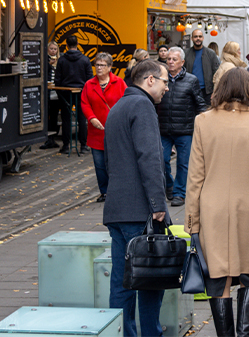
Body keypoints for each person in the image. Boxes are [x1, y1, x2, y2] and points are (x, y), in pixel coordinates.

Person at [185, 68, 249, 337]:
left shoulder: (203, 121)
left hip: (212, 209)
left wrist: (192, 222)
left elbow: (195, 177)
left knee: (219, 276)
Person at [102, 59, 170, 337]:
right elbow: (150, 158)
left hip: (117, 208)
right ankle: (151, 333)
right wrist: (158, 204)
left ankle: (122, 333)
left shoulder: (118, 106)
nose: (167, 87)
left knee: (121, 282)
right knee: (150, 280)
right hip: (138, 210)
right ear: (150, 80)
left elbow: (109, 161)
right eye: (166, 81)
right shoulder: (143, 106)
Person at [158, 46, 207, 207]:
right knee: (162, 160)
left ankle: (180, 193)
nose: (170, 62)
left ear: (182, 62)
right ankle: (169, 186)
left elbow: (199, 103)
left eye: (174, 59)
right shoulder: (160, 78)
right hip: (163, 128)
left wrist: (204, 121)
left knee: (183, 163)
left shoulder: (191, 80)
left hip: (184, 129)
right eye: (169, 59)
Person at [81, 53, 126, 203]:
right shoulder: (89, 84)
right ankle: (105, 191)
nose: (98, 68)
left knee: (115, 163)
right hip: (97, 131)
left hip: (115, 131)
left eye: (102, 65)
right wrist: (92, 118)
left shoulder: (119, 83)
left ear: (110, 67)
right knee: (99, 164)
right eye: (97, 65)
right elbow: (85, 103)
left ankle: (117, 190)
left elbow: (125, 102)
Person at [55, 35, 93, 154]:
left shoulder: (61, 60)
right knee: (82, 119)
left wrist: (60, 91)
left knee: (66, 119)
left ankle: (66, 146)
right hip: (81, 92)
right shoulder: (85, 60)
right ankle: (83, 146)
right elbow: (90, 79)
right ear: (78, 44)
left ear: (66, 45)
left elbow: (57, 79)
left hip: (65, 92)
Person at [184, 29, 221, 99]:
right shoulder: (186, 53)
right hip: (190, 89)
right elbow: (183, 71)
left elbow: (216, 73)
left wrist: (215, 90)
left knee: (206, 110)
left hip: (207, 91)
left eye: (200, 36)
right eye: (195, 36)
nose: (198, 38)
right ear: (192, 38)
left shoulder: (211, 53)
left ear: (203, 38)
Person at [40, 41, 62, 149]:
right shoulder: (44, 59)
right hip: (47, 91)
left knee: (54, 115)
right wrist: (49, 65)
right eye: (51, 48)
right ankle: (47, 139)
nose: (53, 51)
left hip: (56, 92)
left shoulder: (60, 61)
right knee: (46, 115)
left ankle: (53, 138)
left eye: (55, 49)